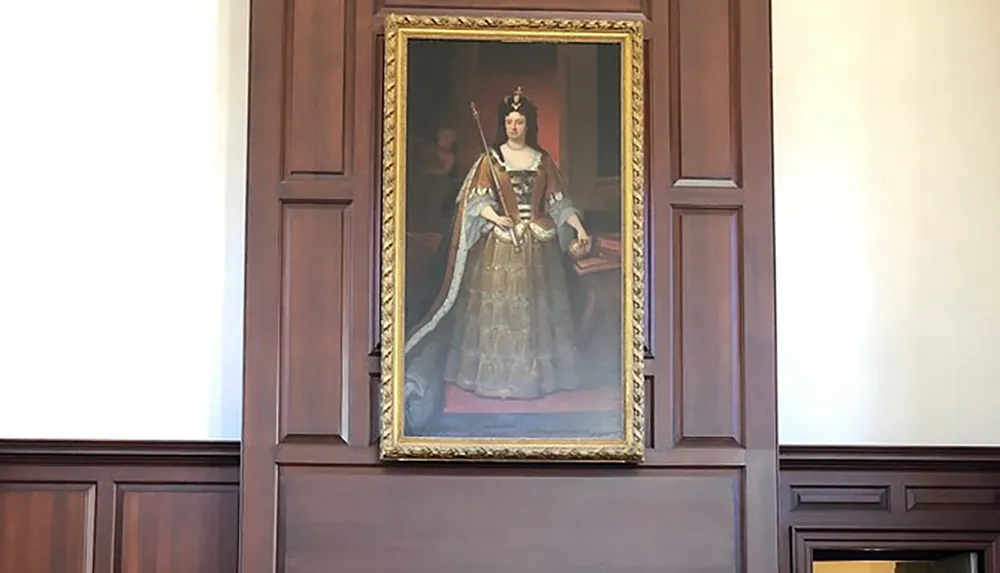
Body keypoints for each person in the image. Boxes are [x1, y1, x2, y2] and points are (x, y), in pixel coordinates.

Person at [402, 87, 592, 434]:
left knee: (535, 315)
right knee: (501, 317)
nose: (514, 127)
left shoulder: (543, 160)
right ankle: (494, 380)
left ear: (528, 125)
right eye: (509, 121)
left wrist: (577, 226)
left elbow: (558, 203)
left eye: (519, 121)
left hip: (537, 247)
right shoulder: (490, 160)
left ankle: (536, 380)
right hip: (499, 247)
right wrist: (494, 217)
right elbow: (475, 201)